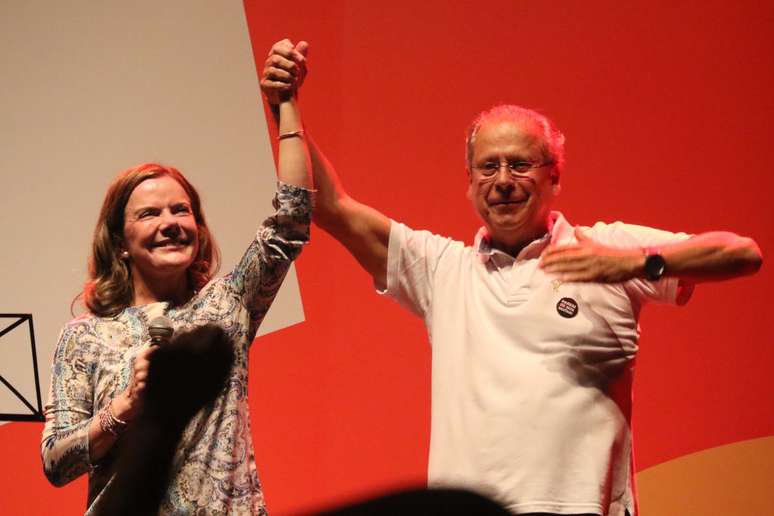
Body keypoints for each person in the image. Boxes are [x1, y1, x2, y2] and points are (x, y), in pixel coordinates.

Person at [260, 39, 762, 516]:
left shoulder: (609, 247)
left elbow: (742, 253)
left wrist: (634, 264)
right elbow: (329, 206)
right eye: (488, 167)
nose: (502, 181)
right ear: (470, 182)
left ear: (555, 176)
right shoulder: (442, 270)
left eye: (519, 165)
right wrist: (286, 107)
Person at [40, 79, 313, 515]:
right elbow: (55, 461)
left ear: (198, 228)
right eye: (150, 214)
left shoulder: (227, 306)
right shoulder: (85, 337)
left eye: (180, 210)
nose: (170, 223)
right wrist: (125, 405)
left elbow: (292, 221)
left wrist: (286, 106)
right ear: (121, 242)